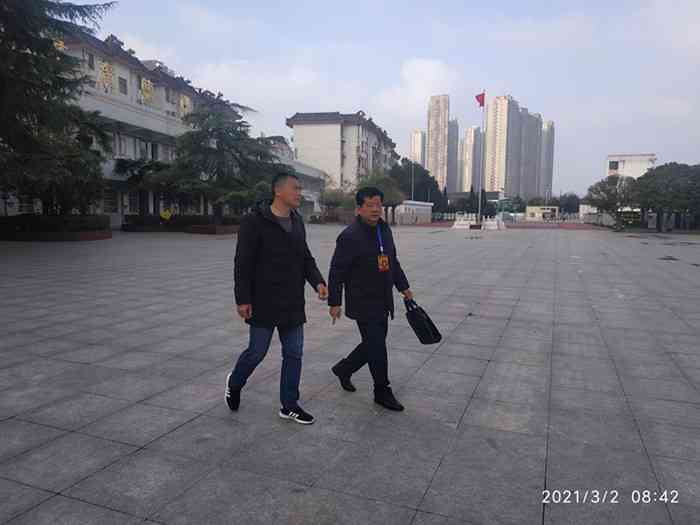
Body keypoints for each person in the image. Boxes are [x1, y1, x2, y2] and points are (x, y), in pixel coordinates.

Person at [227, 171, 327, 425]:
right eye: (295, 188)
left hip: (292, 301)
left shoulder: (297, 220)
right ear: (278, 190)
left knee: (294, 353)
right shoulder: (254, 221)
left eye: (300, 188)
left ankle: (289, 405)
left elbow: (305, 257)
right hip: (264, 300)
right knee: (257, 352)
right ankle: (235, 382)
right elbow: (243, 263)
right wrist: (242, 299)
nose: (299, 193)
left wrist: (318, 281)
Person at [327, 187, 414, 411]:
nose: (376, 209)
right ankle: (382, 391)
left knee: (373, 344)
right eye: (370, 205)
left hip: (383, 298)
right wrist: (334, 302)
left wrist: (403, 287)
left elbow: (392, 261)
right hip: (362, 300)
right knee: (377, 346)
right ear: (359, 209)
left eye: (378, 205)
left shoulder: (384, 230)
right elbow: (337, 271)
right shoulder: (349, 236)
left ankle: (344, 369)